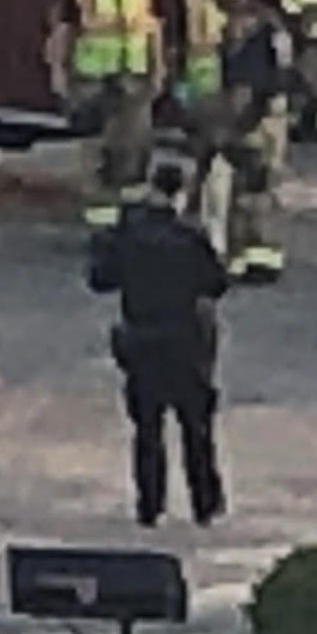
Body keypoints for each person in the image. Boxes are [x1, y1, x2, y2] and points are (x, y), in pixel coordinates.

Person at [89, 153, 229, 527]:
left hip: (141, 339)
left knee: (147, 430)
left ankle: (149, 505)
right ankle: (205, 503)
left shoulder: (129, 236)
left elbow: (100, 279)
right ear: (180, 193)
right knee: (196, 429)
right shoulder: (190, 238)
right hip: (186, 343)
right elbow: (216, 284)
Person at [49, 0, 163, 233]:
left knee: (133, 151)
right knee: (98, 154)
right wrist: (59, 74)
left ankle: (129, 222)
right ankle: (101, 225)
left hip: (133, 81)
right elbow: (63, 30)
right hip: (93, 80)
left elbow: (151, 28)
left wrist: (157, 72)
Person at [212, 0, 295, 282]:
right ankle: (265, 253)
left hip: (254, 117)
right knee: (265, 186)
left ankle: (242, 255)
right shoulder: (279, 30)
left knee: (247, 185)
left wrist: (233, 124)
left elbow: (246, 84)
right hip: (276, 116)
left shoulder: (256, 35)